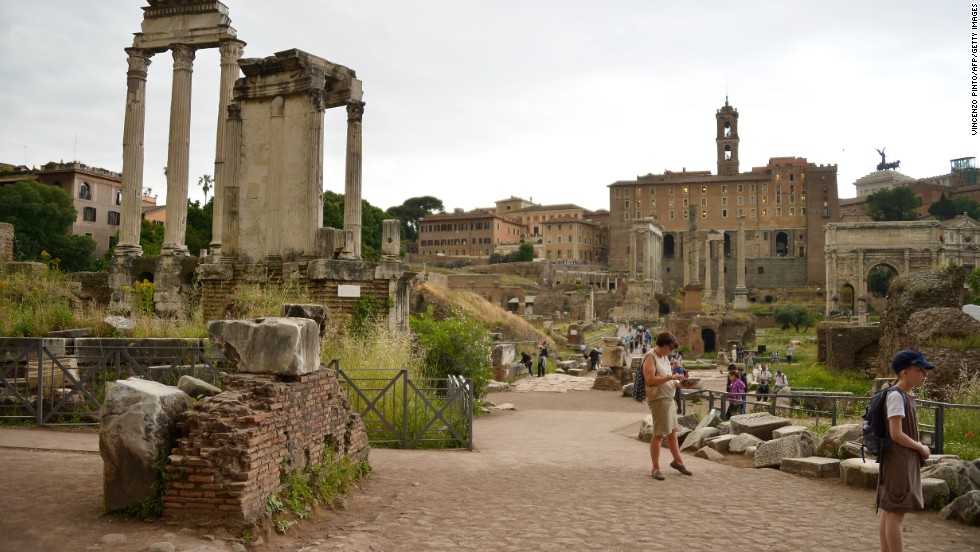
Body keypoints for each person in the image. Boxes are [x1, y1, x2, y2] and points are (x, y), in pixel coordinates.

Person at [878, 350, 934, 552]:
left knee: (889, 511)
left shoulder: (906, 394)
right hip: (898, 462)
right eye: (920, 370)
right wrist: (920, 447)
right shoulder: (896, 396)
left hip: (900, 460)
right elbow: (896, 433)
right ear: (904, 372)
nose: (924, 375)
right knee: (895, 514)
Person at [642, 332, 692, 480]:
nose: (671, 351)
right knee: (658, 434)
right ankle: (655, 468)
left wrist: (677, 383)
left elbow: (666, 379)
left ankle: (678, 462)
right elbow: (650, 380)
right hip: (659, 400)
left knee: (672, 432)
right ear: (663, 345)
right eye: (670, 348)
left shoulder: (664, 357)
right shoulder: (650, 357)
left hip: (668, 398)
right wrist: (671, 377)